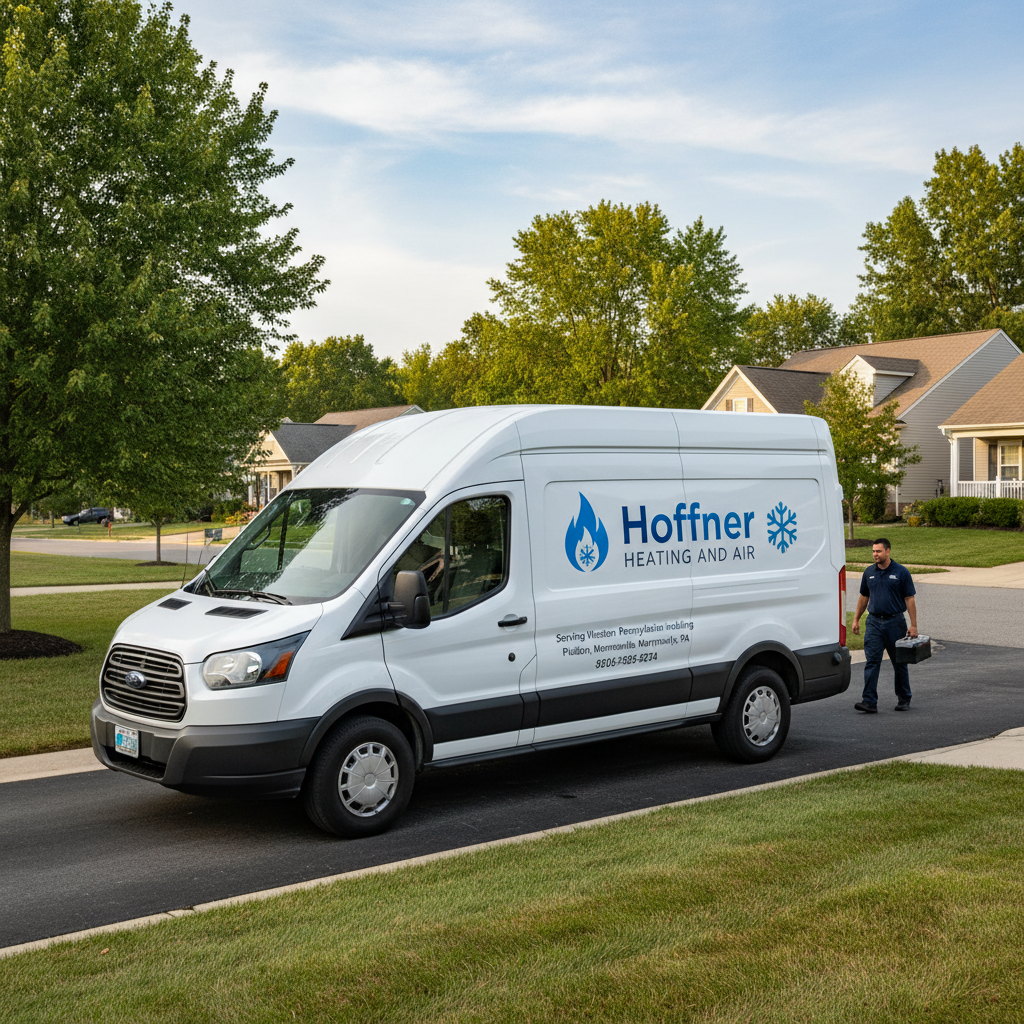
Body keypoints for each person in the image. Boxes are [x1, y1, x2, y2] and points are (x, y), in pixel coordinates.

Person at [851, 538, 918, 713]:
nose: (875, 554)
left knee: (899, 662)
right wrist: (856, 619)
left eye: (878, 551)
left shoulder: (901, 572)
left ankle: (904, 698)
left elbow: (909, 599)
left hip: (895, 622)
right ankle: (869, 701)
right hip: (873, 622)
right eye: (873, 551)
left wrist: (913, 625)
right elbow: (864, 597)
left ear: (888, 551)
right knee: (872, 662)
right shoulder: (869, 573)